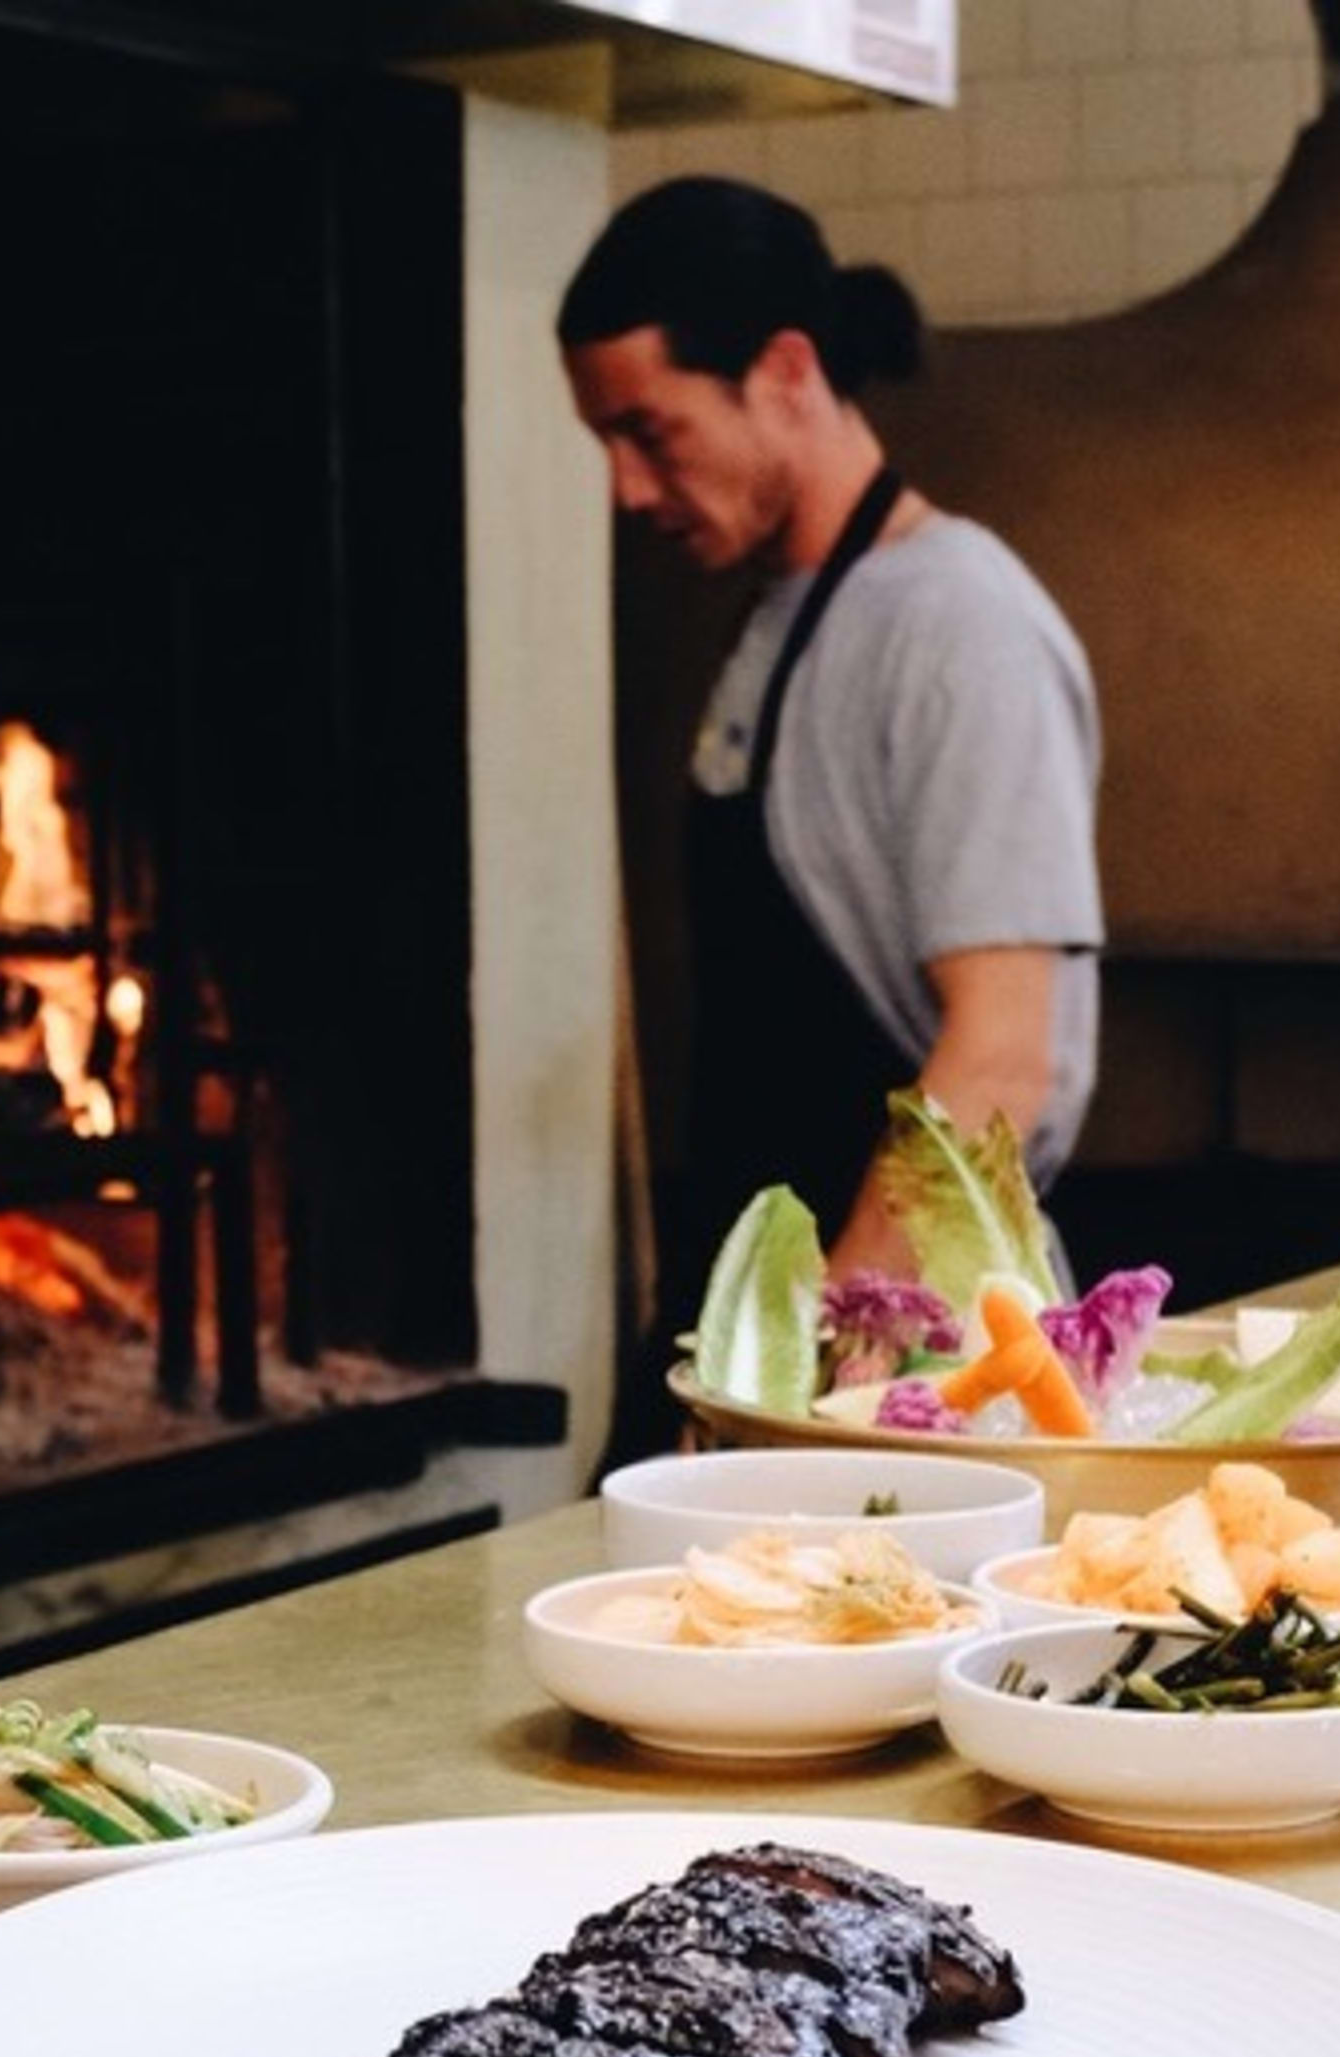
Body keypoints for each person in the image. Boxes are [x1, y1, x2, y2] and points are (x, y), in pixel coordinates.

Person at [559, 176, 1105, 1289]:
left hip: (905, 1337)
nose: (624, 488)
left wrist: (825, 1348)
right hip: (762, 1305)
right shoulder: (790, 609)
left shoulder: (960, 623)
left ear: (788, 375)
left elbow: (1005, 1059)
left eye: (649, 433)